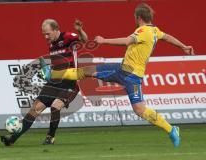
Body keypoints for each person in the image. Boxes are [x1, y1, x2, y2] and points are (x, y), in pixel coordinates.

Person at [41, 3, 194, 147]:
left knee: (85, 72)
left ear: (138, 17)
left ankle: (52, 74)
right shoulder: (155, 30)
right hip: (135, 76)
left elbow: (127, 41)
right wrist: (183, 46)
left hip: (124, 71)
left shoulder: (143, 31)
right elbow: (167, 37)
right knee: (140, 110)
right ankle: (171, 129)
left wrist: (104, 40)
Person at [0, 18, 88, 146]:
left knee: (55, 106)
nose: (46, 37)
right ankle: (12, 139)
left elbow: (85, 40)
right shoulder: (51, 45)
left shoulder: (68, 37)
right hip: (53, 82)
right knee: (35, 109)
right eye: (44, 34)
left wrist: (80, 30)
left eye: (48, 33)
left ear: (56, 30)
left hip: (70, 83)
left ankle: (50, 137)